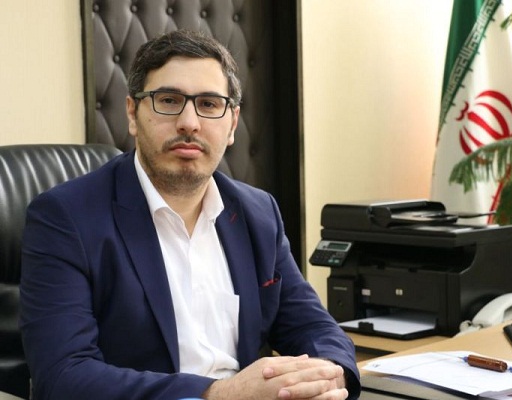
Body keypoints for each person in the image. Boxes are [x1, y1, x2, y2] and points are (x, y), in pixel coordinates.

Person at [19, 29, 360, 400]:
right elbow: (63, 375)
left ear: (232, 123)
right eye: (169, 100)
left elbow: (314, 327)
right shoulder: (65, 217)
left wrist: (329, 377)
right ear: (132, 113)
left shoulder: (258, 213)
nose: (189, 123)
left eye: (209, 104)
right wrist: (217, 394)